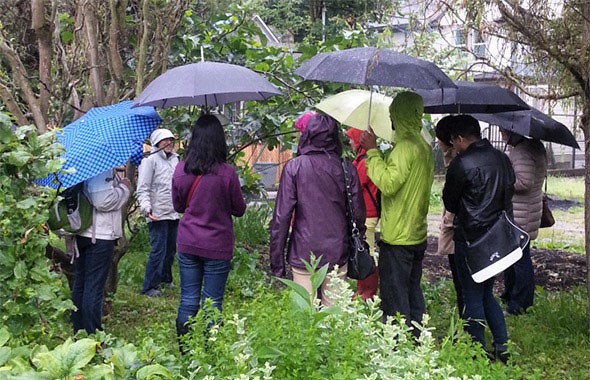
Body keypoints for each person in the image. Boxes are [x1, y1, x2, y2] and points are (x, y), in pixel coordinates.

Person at [270, 113, 366, 306]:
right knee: (336, 316)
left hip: (304, 251)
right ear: (334, 137)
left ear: (307, 136)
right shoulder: (346, 168)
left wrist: (277, 263)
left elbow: (281, 217)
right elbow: (358, 213)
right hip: (337, 251)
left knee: (306, 313)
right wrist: (357, 240)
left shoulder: (294, 167)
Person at [359, 91, 434, 338]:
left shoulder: (404, 147)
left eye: (393, 114)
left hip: (398, 236)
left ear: (398, 116)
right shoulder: (423, 146)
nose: (390, 120)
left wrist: (371, 152)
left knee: (393, 294)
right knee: (412, 289)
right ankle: (417, 335)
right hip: (416, 232)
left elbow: (389, 184)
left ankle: (397, 341)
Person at [442, 115, 515, 363]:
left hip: (470, 237)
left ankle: (477, 349)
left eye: (454, 141)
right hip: (497, 238)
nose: (453, 146)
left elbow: (450, 202)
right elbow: (509, 194)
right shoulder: (503, 159)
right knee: (486, 292)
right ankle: (502, 346)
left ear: (461, 139)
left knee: (472, 293)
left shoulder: (461, 164)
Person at [171, 114, 246, 343]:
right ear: (219, 141)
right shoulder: (227, 173)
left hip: (188, 241)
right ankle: (211, 354)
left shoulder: (181, 170)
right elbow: (239, 209)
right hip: (217, 244)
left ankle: (186, 350)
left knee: (188, 299)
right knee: (212, 302)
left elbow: (178, 206)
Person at [72, 169, 131, 334]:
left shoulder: (82, 165)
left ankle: (79, 332)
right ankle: (93, 336)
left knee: (81, 284)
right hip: (99, 234)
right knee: (93, 287)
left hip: (84, 230)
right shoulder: (99, 168)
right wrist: (124, 188)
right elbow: (102, 201)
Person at [500, 130, 547, 315]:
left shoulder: (523, 151)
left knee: (519, 259)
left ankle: (519, 304)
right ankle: (510, 295)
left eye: (504, 130)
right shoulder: (534, 147)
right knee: (513, 257)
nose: (502, 133)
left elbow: (524, 183)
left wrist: (505, 174)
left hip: (521, 213)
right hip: (527, 210)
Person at [137, 128, 180, 297]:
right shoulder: (150, 161)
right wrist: (146, 208)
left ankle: (166, 279)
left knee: (171, 249)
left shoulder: (176, 161)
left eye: (171, 140)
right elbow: (143, 188)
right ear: (157, 143)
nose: (169, 144)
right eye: (165, 141)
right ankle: (149, 286)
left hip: (173, 212)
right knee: (158, 250)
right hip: (157, 213)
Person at [345, 128, 379, 300]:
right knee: (362, 248)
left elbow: (354, 183)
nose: (349, 142)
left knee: (367, 251)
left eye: (351, 139)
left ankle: (369, 291)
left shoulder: (365, 161)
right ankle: (361, 289)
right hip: (364, 213)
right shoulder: (360, 159)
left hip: (369, 213)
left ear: (359, 140)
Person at [434, 116, 463, 317]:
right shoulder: (454, 158)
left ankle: (466, 319)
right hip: (459, 224)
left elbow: (451, 199)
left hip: (459, 227)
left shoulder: (458, 163)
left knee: (463, 278)